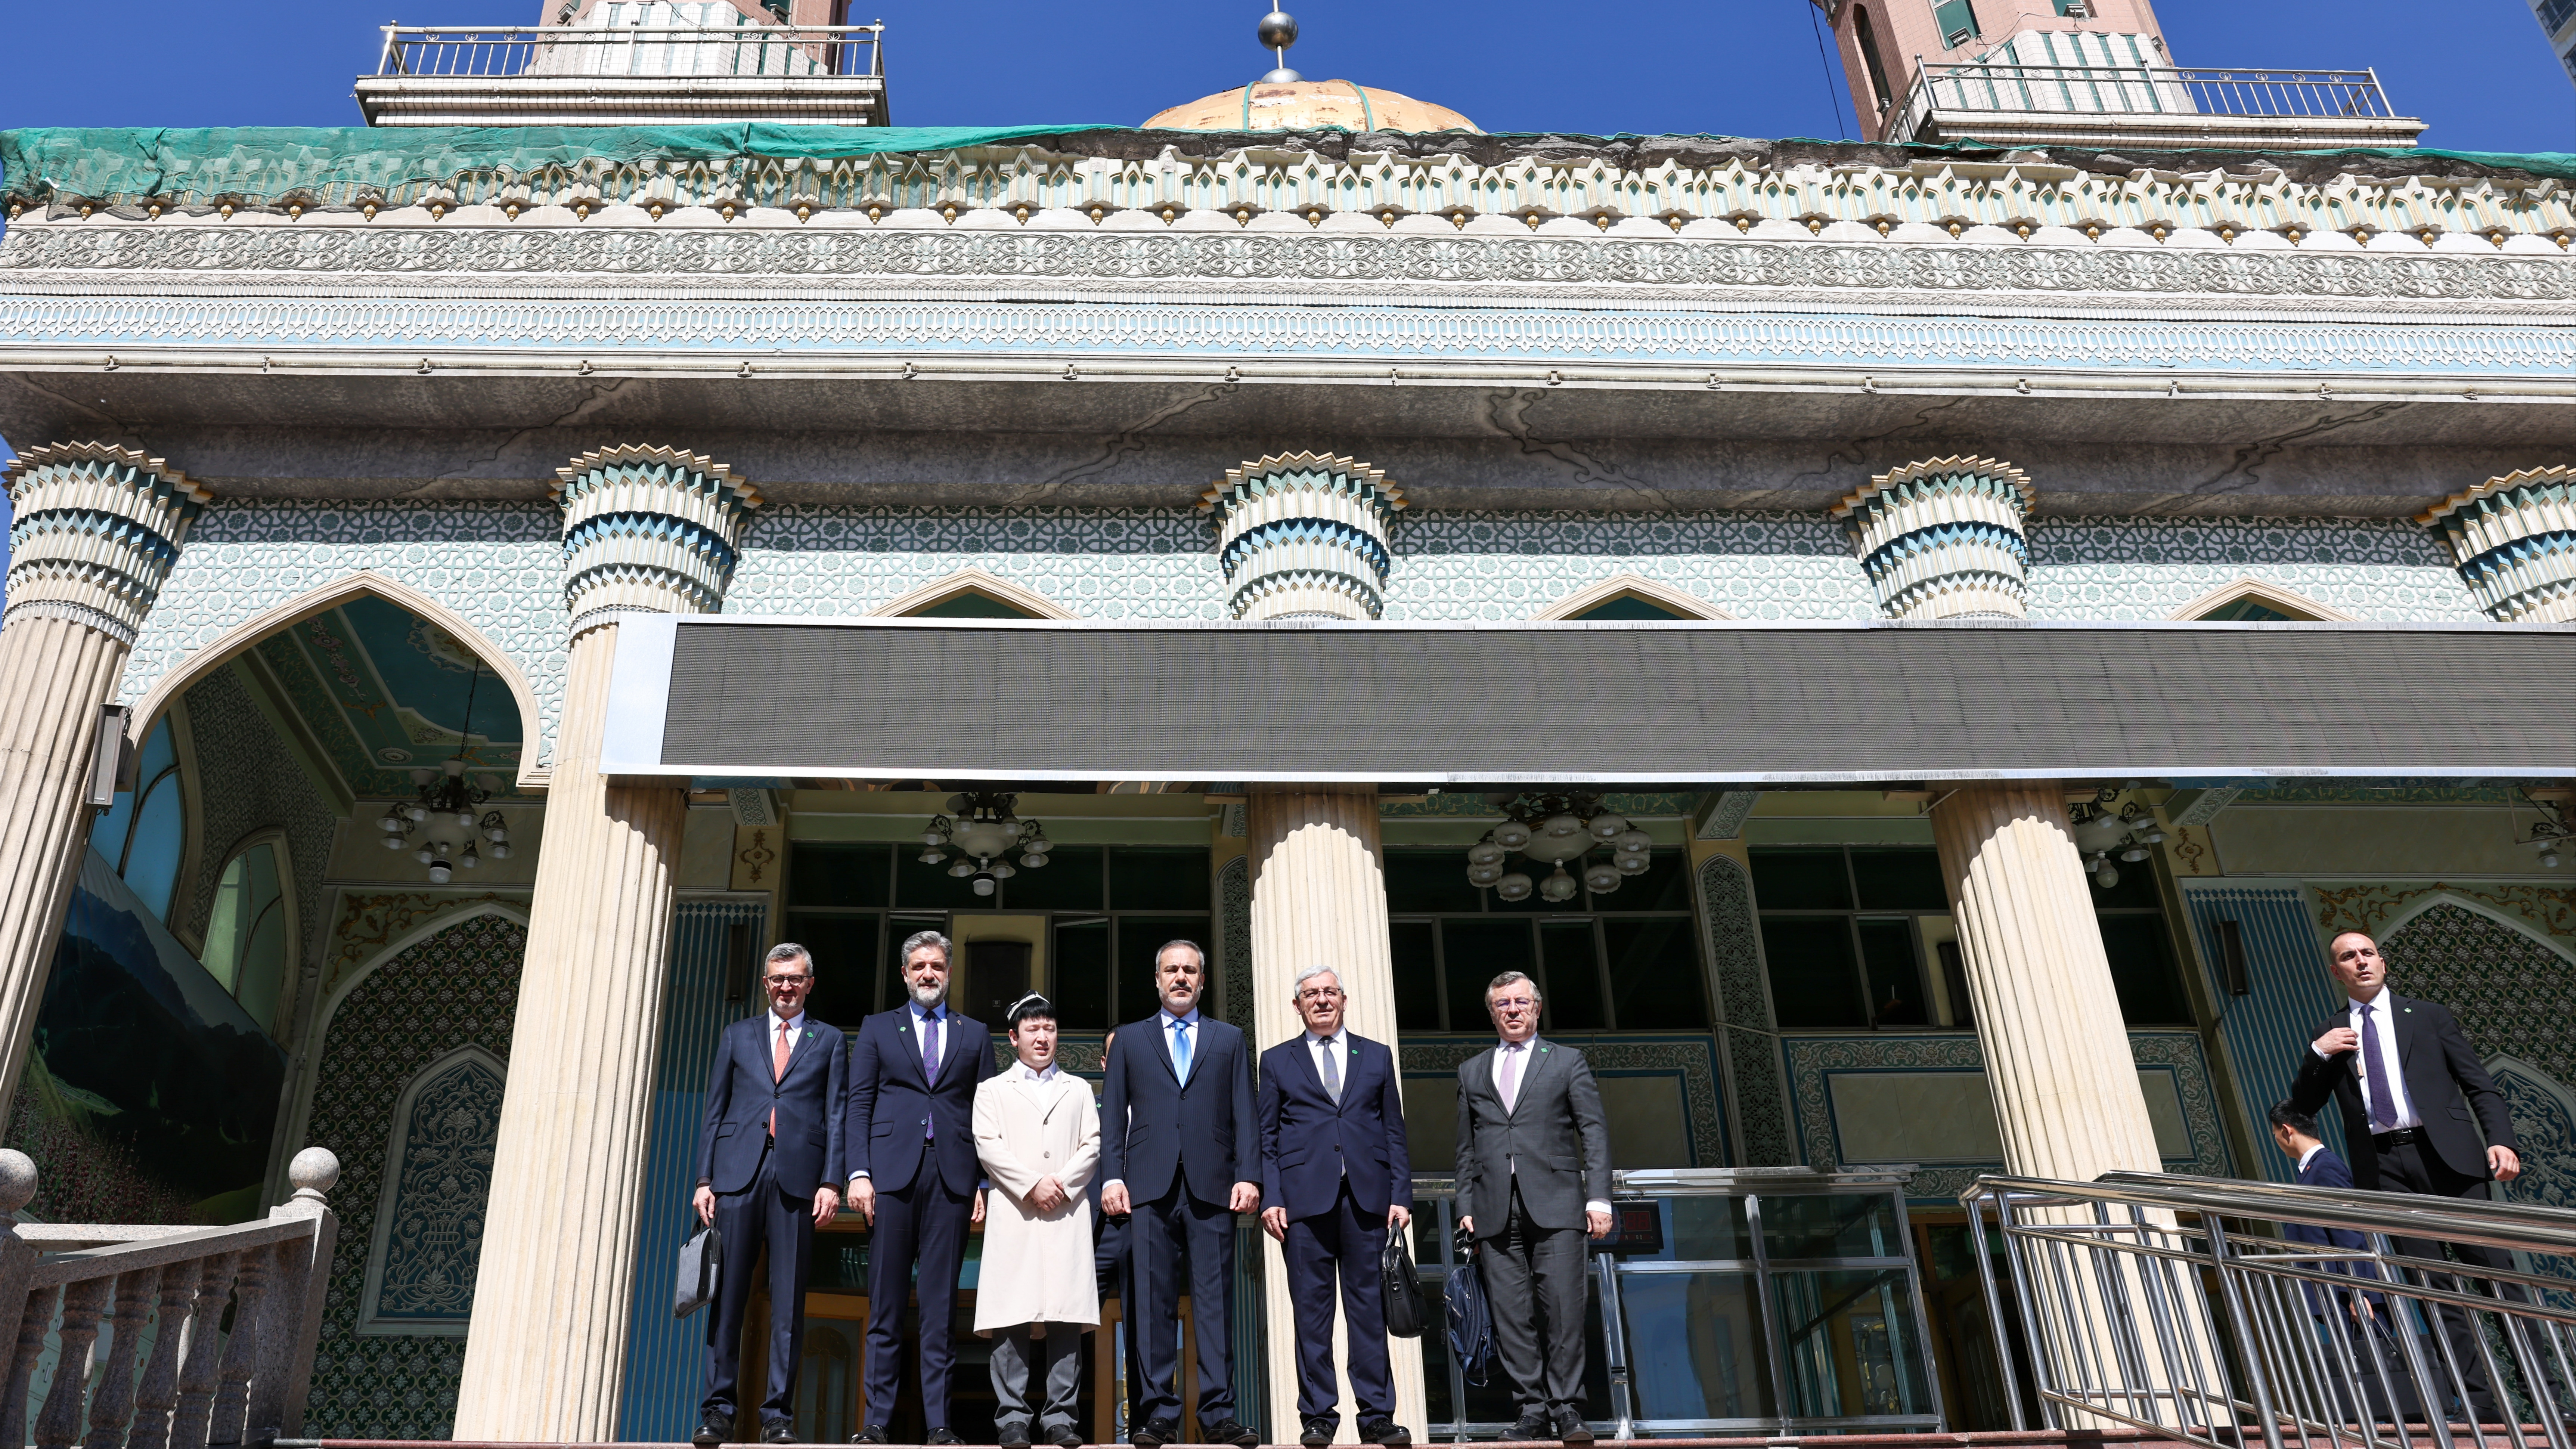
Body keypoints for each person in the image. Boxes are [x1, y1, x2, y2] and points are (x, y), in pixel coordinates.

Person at [2286, 929, 2553, 1422]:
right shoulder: (2331, 1031)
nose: (2361, 961)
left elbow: (2479, 1084)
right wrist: (2317, 1053)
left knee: (2498, 1280)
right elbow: (2299, 1109)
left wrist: (2501, 1139)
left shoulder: (2427, 1016)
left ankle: (2545, 1395)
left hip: (2449, 1160)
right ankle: (2478, 1404)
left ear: (2382, 963)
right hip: (2385, 1169)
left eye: (2368, 953)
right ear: (2336, 971)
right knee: (2431, 1290)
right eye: (2349, 956)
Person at [1100, 940, 1262, 1449]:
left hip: (1213, 1184)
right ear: (1156, 978)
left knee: (1215, 1303)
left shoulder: (1229, 1038)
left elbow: (1245, 1111)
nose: (1181, 977)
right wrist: (1111, 1176)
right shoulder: (1129, 1039)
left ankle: (1217, 1413)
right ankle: (1155, 1413)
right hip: (1146, 1187)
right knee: (1150, 1304)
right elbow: (1111, 1118)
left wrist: (1249, 1174)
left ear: (1202, 979)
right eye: (1172, 969)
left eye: (1190, 970)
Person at [691, 944, 846, 1447]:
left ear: (810, 983)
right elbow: (715, 1109)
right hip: (736, 1176)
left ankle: (777, 1413)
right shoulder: (737, 1035)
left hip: (799, 1179)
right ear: (765, 983)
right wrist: (703, 1179)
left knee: (787, 1305)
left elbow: (837, 1112)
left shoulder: (829, 1040)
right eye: (777, 978)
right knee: (728, 1299)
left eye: (795, 978)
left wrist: (831, 1180)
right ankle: (718, 1411)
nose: (786, 986)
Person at [844, 931, 993, 1445]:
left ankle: (939, 1422)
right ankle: (878, 1419)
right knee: (885, 1305)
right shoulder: (877, 1028)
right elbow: (858, 1103)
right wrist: (858, 1172)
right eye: (918, 966)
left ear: (949, 973)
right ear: (905, 974)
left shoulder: (974, 1033)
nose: (928, 973)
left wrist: (982, 1182)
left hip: (952, 1177)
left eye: (936, 965)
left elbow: (985, 1115)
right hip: (890, 1176)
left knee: (939, 1306)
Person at [1453, 970, 1612, 1445]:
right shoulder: (1472, 1070)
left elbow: (1594, 1132)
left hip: (1560, 1205)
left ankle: (1567, 1408)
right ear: (1492, 1012)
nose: (1513, 1010)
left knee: (1563, 1310)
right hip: (1494, 1209)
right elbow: (1466, 1146)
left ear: (1537, 1008)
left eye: (1521, 1002)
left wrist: (1598, 1198)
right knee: (1510, 1315)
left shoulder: (1567, 1062)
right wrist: (1466, 1204)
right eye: (1503, 1004)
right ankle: (1530, 1410)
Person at [1258, 966, 1413, 1449]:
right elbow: (1266, 1137)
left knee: (1369, 1312)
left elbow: (1394, 1129)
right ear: (1297, 1005)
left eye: (1329, 992)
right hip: (1303, 1204)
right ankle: (1318, 1415)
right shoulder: (1276, 1060)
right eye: (1311, 994)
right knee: (1312, 1315)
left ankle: (1377, 1416)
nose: (1321, 1000)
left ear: (1344, 999)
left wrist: (1400, 1195)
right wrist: (1272, 1196)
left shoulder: (1376, 1054)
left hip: (1368, 1200)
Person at [973, 993, 1102, 1449]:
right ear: (1014, 1038)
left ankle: (1061, 1418)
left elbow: (1092, 1144)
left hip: (1065, 1212)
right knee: (1012, 1315)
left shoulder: (1080, 1088)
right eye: (1033, 1030)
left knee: (1065, 1318)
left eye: (1049, 1029)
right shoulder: (992, 1090)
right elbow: (988, 1146)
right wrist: (1031, 1184)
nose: (1043, 1037)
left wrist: (1061, 1184)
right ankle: (1012, 1416)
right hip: (1017, 1211)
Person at [2266, 1103, 2420, 1423]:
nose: (2276, 1142)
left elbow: (2348, 1231)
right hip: (2335, 1290)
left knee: (2375, 1367)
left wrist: (2357, 1290)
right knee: (2361, 1370)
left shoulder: (2326, 1166)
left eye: (2274, 1134)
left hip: (2347, 1290)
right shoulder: (2312, 1169)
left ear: (2286, 1130)